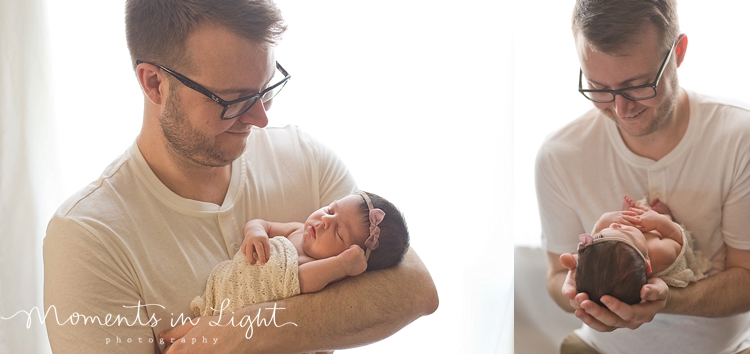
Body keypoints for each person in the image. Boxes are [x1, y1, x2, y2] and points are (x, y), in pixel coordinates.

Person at [43, 1, 438, 353]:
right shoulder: (88, 237)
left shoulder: (305, 159)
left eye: (266, 88)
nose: (261, 118)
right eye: (233, 100)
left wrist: (243, 333)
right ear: (154, 83)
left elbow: (416, 290)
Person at [535, 0, 750, 353]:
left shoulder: (739, 137)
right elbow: (556, 275)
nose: (621, 109)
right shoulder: (559, 155)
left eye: (637, 85)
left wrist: (664, 300)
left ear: (678, 52)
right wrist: (585, 299)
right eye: (598, 87)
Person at [192, 191, 410, 316]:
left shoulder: (330, 272)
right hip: (227, 286)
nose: (325, 221)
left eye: (339, 233)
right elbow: (264, 224)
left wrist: (343, 265)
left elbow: (298, 281)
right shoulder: (297, 229)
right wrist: (255, 232)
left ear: (352, 256)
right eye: (330, 210)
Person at [575, 196, 710, 308]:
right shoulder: (661, 253)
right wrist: (660, 222)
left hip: (626, 249)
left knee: (613, 240)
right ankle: (666, 216)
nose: (614, 225)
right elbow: (679, 240)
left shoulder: (626, 254)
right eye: (625, 231)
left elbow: (599, 243)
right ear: (647, 264)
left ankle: (628, 217)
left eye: (602, 234)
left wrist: (603, 221)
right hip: (667, 237)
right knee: (665, 227)